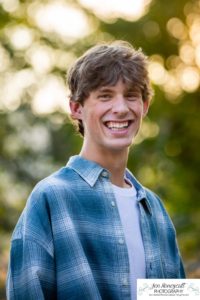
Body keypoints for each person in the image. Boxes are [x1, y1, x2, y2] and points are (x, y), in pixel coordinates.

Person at [6, 41, 185, 300]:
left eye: (131, 95)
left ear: (144, 106)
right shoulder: (51, 197)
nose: (121, 108)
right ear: (76, 108)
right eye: (105, 95)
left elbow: (173, 297)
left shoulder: (155, 210)